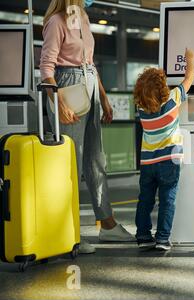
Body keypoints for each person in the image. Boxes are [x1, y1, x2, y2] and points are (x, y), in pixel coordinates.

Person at [40, 0, 135, 254]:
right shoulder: (56, 21)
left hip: (90, 85)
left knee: (96, 161)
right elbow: (46, 68)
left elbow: (89, 62)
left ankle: (107, 223)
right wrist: (57, 102)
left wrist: (103, 97)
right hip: (67, 89)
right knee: (70, 165)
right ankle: (68, 231)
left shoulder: (81, 16)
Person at [133, 49, 194, 251]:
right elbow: (189, 78)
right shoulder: (172, 101)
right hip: (169, 160)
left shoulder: (141, 110)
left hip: (147, 163)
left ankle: (143, 236)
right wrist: (190, 60)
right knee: (167, 200)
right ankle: (162, 239)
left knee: (145, 200)